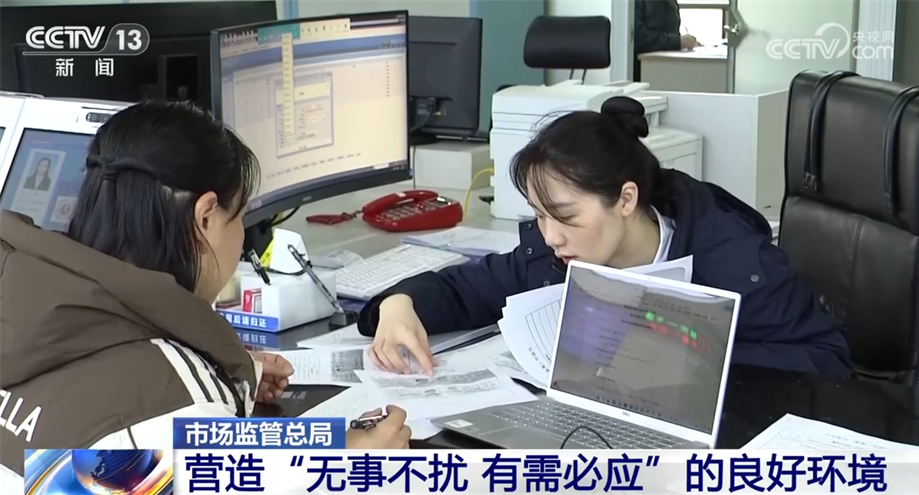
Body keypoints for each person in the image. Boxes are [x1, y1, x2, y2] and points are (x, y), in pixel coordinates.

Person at [0, 102, 410, 486]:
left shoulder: (24, 300)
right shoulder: (174, 409)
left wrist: (220, 373)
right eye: (240, 216)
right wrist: (351, 469)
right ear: (206, 217)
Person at [358, 96, 851, 379]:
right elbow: (466, 288)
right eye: (539, 215)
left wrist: (696, 363)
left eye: (566, 216)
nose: (551, 236)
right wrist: (399, 305)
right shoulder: (555, 254)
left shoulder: (735, 261)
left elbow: (827, 362)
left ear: (626, 200)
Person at [633, 0, 700, 80]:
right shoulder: (633, 3)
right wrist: (678, 41)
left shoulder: (670, 2)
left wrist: (686, 42)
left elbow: (672, 32)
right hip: (643, 71)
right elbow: (638, 38)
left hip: (668, 67)